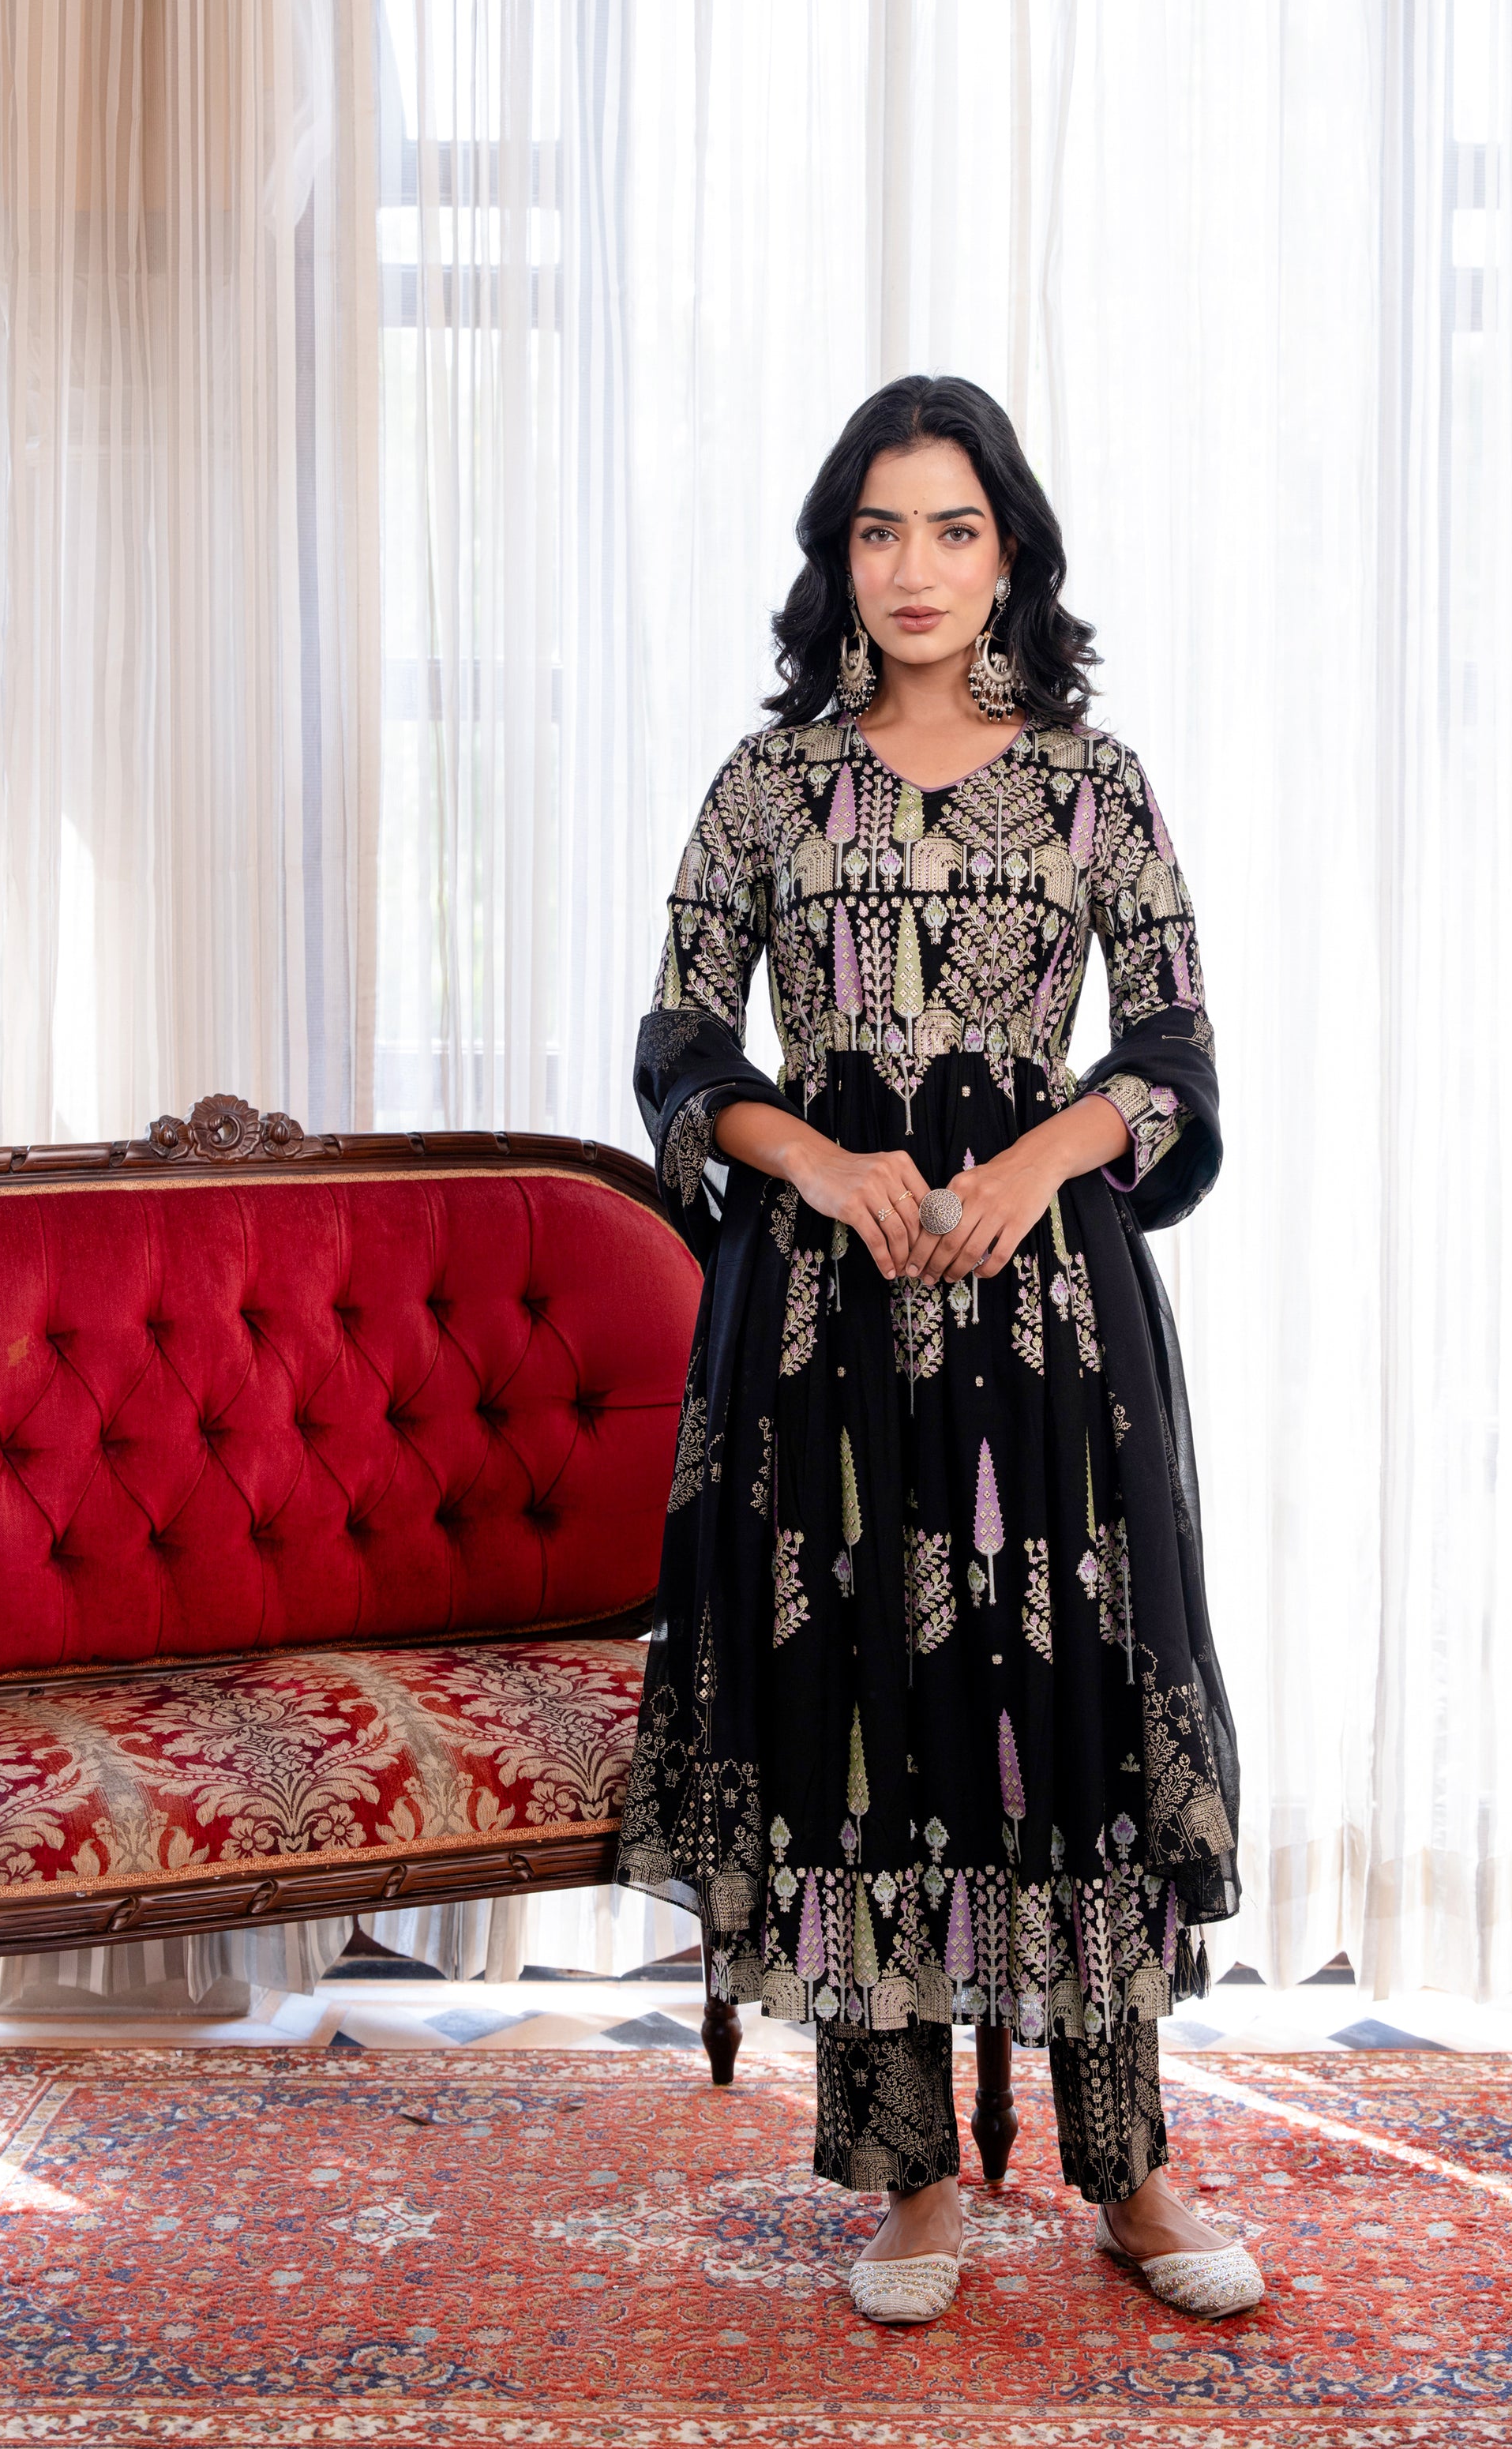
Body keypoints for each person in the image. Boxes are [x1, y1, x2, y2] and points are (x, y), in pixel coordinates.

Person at [615, 376, 1258, 2327]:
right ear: (840, 554)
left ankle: (1129, 2169)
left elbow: (1173, 1051)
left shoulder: (1094, 783)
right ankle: (904, 2178)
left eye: (954, 529)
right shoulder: (765, 789)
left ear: (1011, 555)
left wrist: (1043, 1157)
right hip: (822, 1328)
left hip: (1050, 1324)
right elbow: (680, 1045)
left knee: (1076, 1712)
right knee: (862, 1713)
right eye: (880, 528)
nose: (915, 568)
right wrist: (818, 1160)